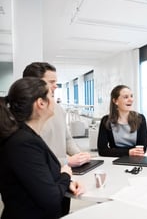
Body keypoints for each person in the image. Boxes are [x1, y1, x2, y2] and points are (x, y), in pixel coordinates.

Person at [0, 77, 84, 219]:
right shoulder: (23, 143)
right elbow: (50, 199)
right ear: (41, 103)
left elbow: (38, 181)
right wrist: (65, 175)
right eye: (51, 95)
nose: (54, 100)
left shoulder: (27, 136)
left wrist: (65, 183)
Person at [23, 62, 91, 167]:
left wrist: (80, 155)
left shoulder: (58, 109)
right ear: (35, 84)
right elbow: (29, 157)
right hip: (41, 172)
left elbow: (67, 139)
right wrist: (66, 161)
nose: (56, 86)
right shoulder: (23, 115)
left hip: (62, 172)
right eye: (51, 82)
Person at [97, 85, 147, 157]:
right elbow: (102, 150)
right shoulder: (106, 121)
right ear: (115, 101)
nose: (131, 100)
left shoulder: (140, 118)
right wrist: (128, 152)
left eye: (131, 96)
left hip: (136, 159)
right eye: (126, 97)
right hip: (114, 160)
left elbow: (143, 148)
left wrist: (118, 151)